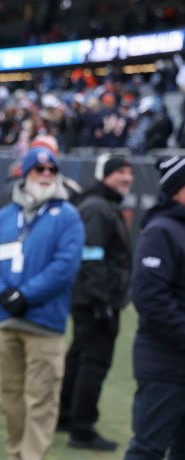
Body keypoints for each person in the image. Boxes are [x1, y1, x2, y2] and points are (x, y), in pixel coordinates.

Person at [0, 148, 84, 460]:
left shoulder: (67, 215)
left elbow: (65, 266)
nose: (47, 174)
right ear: (26, 174)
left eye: (53, 169)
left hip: (44, 324)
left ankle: (32, 456)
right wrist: (3, 294)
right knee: (11, 397)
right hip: (7, 320)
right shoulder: (6, 215)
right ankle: (16, 453)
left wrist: (25, 295)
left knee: (41, 400)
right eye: (40, 169)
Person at [58, 156, 134, 451]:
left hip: (91, 297)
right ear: (106, 175)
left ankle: (66, 415)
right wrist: (102, 299)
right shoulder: (97, 208)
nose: (127, 177)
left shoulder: (102, 204)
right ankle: (82, 427)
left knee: (80, 357)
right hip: (94, 300)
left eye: (129, 172)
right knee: (94, 362)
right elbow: (90, 256)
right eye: (120, 172)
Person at [124, 156, 185, 460]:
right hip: (165, 366)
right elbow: (150, 299)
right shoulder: (161, 231)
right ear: (178, 190)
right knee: (148, 450)